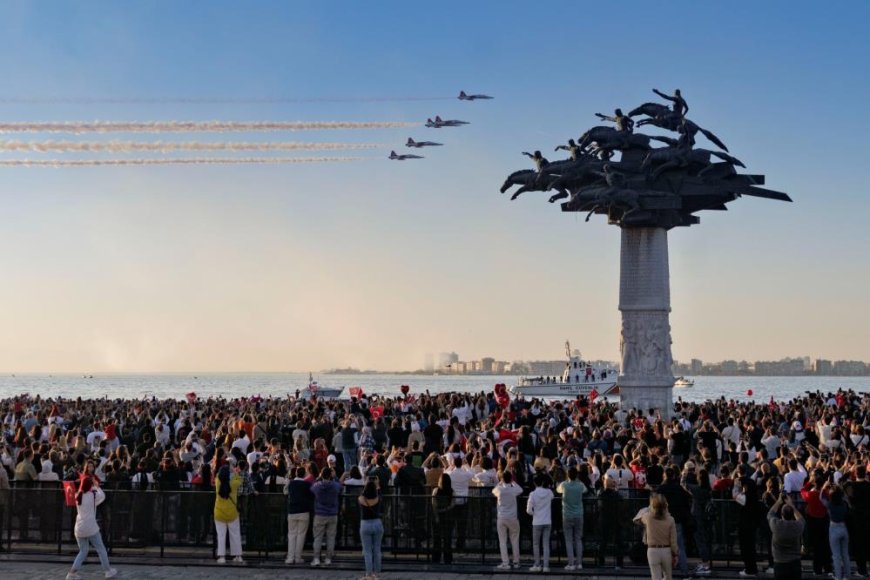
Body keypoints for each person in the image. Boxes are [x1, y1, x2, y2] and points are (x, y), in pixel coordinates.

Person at [65, 477, 117, 580]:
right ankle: (107, 571)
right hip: (91, 527)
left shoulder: (78, 496)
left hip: (79, 528)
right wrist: (97, 486)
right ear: (90, 486)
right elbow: (102, 496)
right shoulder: (92, 496)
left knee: (83, 551)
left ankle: (71, 573)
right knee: (101, 549)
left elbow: (73, 495)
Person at [634, 494, 678, 580]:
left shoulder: (648, 517)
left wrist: (649, 508)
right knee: (668, 577)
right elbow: (673, 540)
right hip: (666, 550)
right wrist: (675, 553)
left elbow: (637, 519)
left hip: (652, 550)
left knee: (655, 577)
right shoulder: (670, 519)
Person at [767, 494, 804, 580]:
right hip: (795, 563)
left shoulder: (776, 525)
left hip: (780, 563)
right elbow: (801, 519)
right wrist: (792, 506)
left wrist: (779, 502)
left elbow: (770, 514)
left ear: (781, 514)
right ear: (792, 515)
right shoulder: (797, 526)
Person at [311, 466, 342, 567]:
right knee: (331, 538)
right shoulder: (335, 486)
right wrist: (335, 477)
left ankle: (316, 558)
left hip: (320, 513)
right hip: (332, 514)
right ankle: (328, 558)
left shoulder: (317, 486)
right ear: (330, 475)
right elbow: (340, 486)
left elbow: (312, 488)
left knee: (318, 538)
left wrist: (319, 478)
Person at [557, 466, 587, 571]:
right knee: (578, 539)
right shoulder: (580, 485)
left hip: (567, 515)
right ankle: (579, 563)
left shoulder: (564, 485)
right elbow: (585, 490)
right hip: (579, 514)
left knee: (568, 540)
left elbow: (558, 490)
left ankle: (571, 563)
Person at [492, 470, 522, 570]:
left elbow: (493, 490)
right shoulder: (513, 490)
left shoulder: (499, 490)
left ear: (502, 479)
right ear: (511, 479)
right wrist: (512, 481)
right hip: (513, 517)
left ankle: (505, 563)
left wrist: (501, 481)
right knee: (515, 540)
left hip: (501, 517)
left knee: (503, 541)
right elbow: (520, 489)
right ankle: (516, 562)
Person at [213, 464, 244, 564]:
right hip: (232, 513)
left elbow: (217, 475)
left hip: (219, 512)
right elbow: (240, 479)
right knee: (235, 535)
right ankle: (238, 556)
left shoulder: (218, 482)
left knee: (221, 536)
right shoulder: (234, 484)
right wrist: (234, 471)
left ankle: (222, 557)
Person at [820, 481, 851, 580]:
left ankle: (838, 576)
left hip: (833, 528)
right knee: (845, 555)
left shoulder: (829, 504)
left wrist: (824, 487)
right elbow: (847, 502)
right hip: (844, 527)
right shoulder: (844, 504)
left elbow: (821, 497)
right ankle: (847, 576)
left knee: (836, 556)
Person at [284, 465, 313, 565]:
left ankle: (290, 557)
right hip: (304, 511)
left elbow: (285, 491)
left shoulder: (291, 484)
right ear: (304, 474)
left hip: (292, 511)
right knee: (301, 535)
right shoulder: (307, 484)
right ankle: (297, 557)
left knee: (291, 535)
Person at [526, 473, 554, 573]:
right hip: (547, 521)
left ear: (534, 483)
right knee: (545, 544)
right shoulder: (549, 492)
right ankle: (546, 566)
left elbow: (528, 510)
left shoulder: (532, 494)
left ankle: (537, 564)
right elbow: (552, 497)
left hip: (537, 521)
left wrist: (534, 513)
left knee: (536, 544)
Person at [358, 478, 383, 580]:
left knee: (367, 551)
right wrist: (377, 486)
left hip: (365, 524)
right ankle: (377, 573)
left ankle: (368, 574)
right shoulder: (378, 498)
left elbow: (361, 495)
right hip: (377, 523)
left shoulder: (361, 499)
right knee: (377, 549)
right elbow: (380, 493)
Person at [431, 472, 455, 564]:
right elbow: (453, 503)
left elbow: (433, 504)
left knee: (436, 538)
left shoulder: (436, 491)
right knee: (447, 538)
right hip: (448, 516)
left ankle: (436, 558)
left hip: (438, 515)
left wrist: (437, 514)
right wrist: (446, 508)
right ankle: (447, 558)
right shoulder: (451, 491)